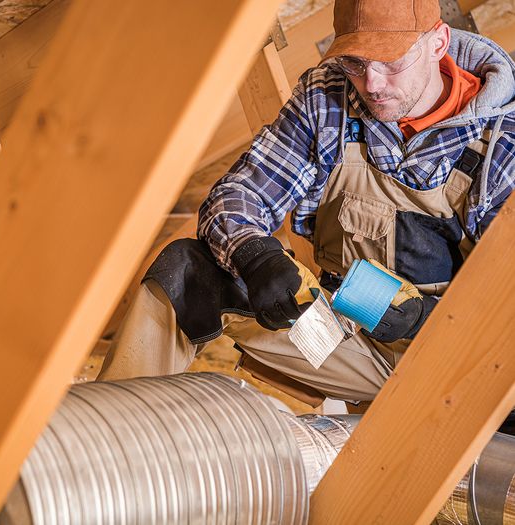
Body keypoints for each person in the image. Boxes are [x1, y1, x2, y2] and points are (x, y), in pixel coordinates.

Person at [98, 0, 515, 410]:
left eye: (391, 62)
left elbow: (505, 312)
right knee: (187, 272)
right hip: (336, 338)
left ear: (438, 42)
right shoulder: (328, 98)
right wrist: (256, 258)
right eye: (355, 62)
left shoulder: (502, 143)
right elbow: (239, 196)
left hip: (449, 362)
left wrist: (425, 320)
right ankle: (107, 442)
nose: (372, 84)